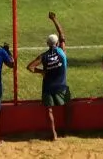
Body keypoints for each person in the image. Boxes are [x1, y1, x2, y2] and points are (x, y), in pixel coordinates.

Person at [26, 12, 70, 140]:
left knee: (49, 110)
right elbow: (62, 34)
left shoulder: (43, 56)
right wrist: (54, 19)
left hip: (48, 87)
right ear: (57, 43)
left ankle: (54, 134)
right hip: (61, 86)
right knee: (67, 107)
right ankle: (66, 131)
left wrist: (42, 72)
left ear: (47, 43)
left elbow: (30, 67)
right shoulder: (62, 51)